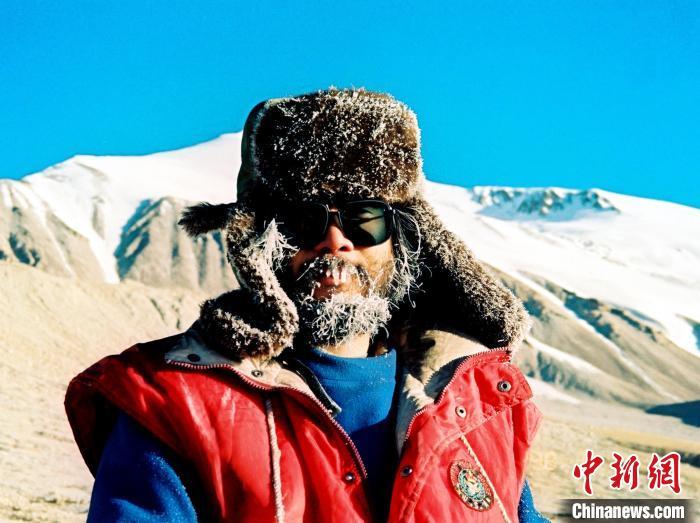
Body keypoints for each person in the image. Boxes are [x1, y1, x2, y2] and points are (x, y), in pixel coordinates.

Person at [65, 88, 548, 522]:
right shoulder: (173, 399)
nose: (335, 241)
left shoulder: (480, 399)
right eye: (303, 222)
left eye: (365, 218)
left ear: (402, 237)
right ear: (259, 245)